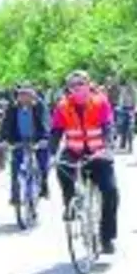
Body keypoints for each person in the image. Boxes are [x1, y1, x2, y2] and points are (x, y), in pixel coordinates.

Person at [50, 70, 122, 253]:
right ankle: (70, 202)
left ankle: (107, 237)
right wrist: (52, 153)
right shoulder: (63, 106)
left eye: (81, 83)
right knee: (61, 167)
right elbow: (56, 132)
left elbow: (108, 127)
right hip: (74, 151)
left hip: (98, 153)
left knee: (111, 191)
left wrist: (106, 148)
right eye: (73, 85)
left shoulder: (100, 102)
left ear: (89, 84)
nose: (77, 88)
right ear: (69, 89)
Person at [1, 82, 51, 207]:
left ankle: (43, 187)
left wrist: (44, 139)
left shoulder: (39, 106)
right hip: (18, 141)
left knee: (43, 163)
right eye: (21, 94)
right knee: (15, 166)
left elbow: (46, 123)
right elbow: (6, 125)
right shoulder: (12, 108)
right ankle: (15, 196)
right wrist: (4, 140)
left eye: (27, 94)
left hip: (37, 140)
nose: (24, 97)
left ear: (33, 95)